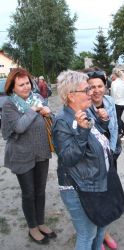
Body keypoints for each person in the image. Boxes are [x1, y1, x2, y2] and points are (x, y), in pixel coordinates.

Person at [52, 70, 112, 250]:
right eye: (86, 90)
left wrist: (103, 122)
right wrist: (82, 131)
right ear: (71, 96)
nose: (91, 92)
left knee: (101, 226)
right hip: (78, 187)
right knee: (88, 234)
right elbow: (69, 158)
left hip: (96, 181)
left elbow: (96, 141)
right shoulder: (62, 121)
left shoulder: (87, 110)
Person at [1, 68, 56, 245]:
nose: (26, 87)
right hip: (21, 155)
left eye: (27, 83)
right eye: (21, 84)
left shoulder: (38, 98)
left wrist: (49, 113)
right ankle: (32, 227)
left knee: (40, 191)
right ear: (12, 87)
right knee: (29, 193)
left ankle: (40, 222)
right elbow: (19, 127)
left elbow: (50, 120)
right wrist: (33, 110)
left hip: (41, 152)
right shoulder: (9, 105)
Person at [84, 67, 120, 250]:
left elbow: (114, 128)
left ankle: (104, 231)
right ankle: (95, 232)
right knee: (95, 195)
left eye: (100, 86)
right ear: (86, 88)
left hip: (111, 153)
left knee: (108, 192)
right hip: (93, 159)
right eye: (92, 87)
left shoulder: (109, 101)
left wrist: (112, 153)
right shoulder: (83, 105)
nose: (97, 90)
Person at [110, 68, 124, 140]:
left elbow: (113, 94)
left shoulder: (114, 83)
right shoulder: (123, 82)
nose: (112, 76)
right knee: (119, 118)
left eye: (112, 74)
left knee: (117, 118)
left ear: (114, 74)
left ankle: (120, 134)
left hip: (117, 102)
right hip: (123, 102)